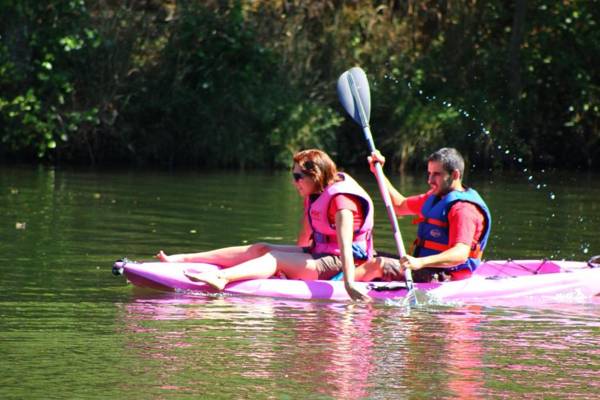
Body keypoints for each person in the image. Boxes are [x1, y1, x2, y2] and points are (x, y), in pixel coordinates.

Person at [156, 149, 375, 301]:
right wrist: (294, 264)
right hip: (319, 255)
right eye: (293, 175)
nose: (294, 181)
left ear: (315, 175)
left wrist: (349, 284)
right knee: (261, 249)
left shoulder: (342, 202)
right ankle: (183, 258)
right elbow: (306, 236)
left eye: (298, 176)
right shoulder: (316, 193)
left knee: (275, 258)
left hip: (342, 263)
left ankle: (221, 278)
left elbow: (346, 246)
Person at [357, 147, 491, 283]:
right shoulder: (435, 197)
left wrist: (420, 262)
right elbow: (399, 206)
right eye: (429, 173)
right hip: (425, 267)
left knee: (378, 264)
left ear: (455, 175)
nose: (430, 180)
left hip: (446, 275)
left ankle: (340, 288)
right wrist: (378, 172)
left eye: (437, 174)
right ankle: (348, 280)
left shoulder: (464, 209)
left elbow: (460, 254)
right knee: (367, 255)